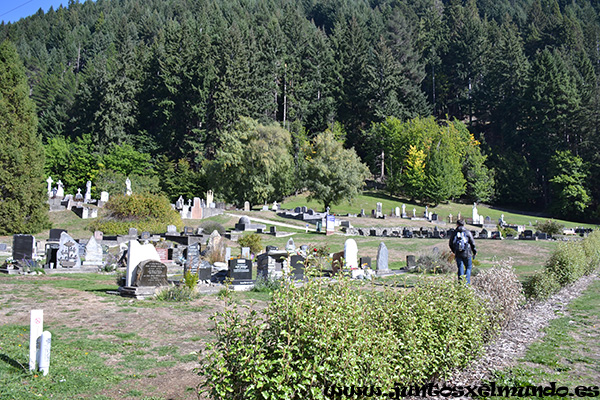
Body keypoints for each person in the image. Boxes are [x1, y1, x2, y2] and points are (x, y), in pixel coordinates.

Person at [448, 219, 477, 284]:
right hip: (467, 253)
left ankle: (461, 282)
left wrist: (454, 251)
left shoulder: (454, 233)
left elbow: (450, 243)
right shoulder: (467, 232)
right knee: (468, 268)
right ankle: (466, 283)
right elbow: (472, 243)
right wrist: (474, 252)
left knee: (460, 267)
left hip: (458, 253)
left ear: (457, 224)